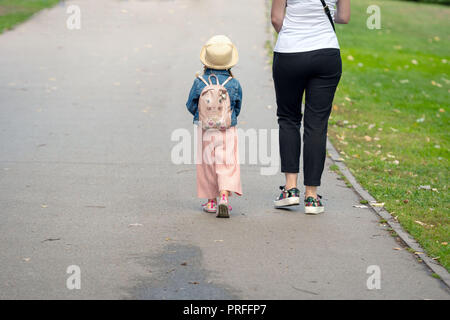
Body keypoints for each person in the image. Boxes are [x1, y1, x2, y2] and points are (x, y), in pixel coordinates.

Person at [271, 0, 351, 214]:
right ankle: (312, 197)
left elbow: (277, 18)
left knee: (288, 118)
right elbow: (343, 17)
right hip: (326, 53)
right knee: (316, 125)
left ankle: (290, 189)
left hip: (290, 52)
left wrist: (293, 35)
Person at [186, 35, 243, 218]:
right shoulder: (233, 83)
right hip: (227, 129)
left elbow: (190, 105)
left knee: (207, 163)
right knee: (227, 162)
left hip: (205, 129)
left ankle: (211, 201)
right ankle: (224, 198)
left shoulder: (199, 82)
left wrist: (202, 116)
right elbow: (238, 105)